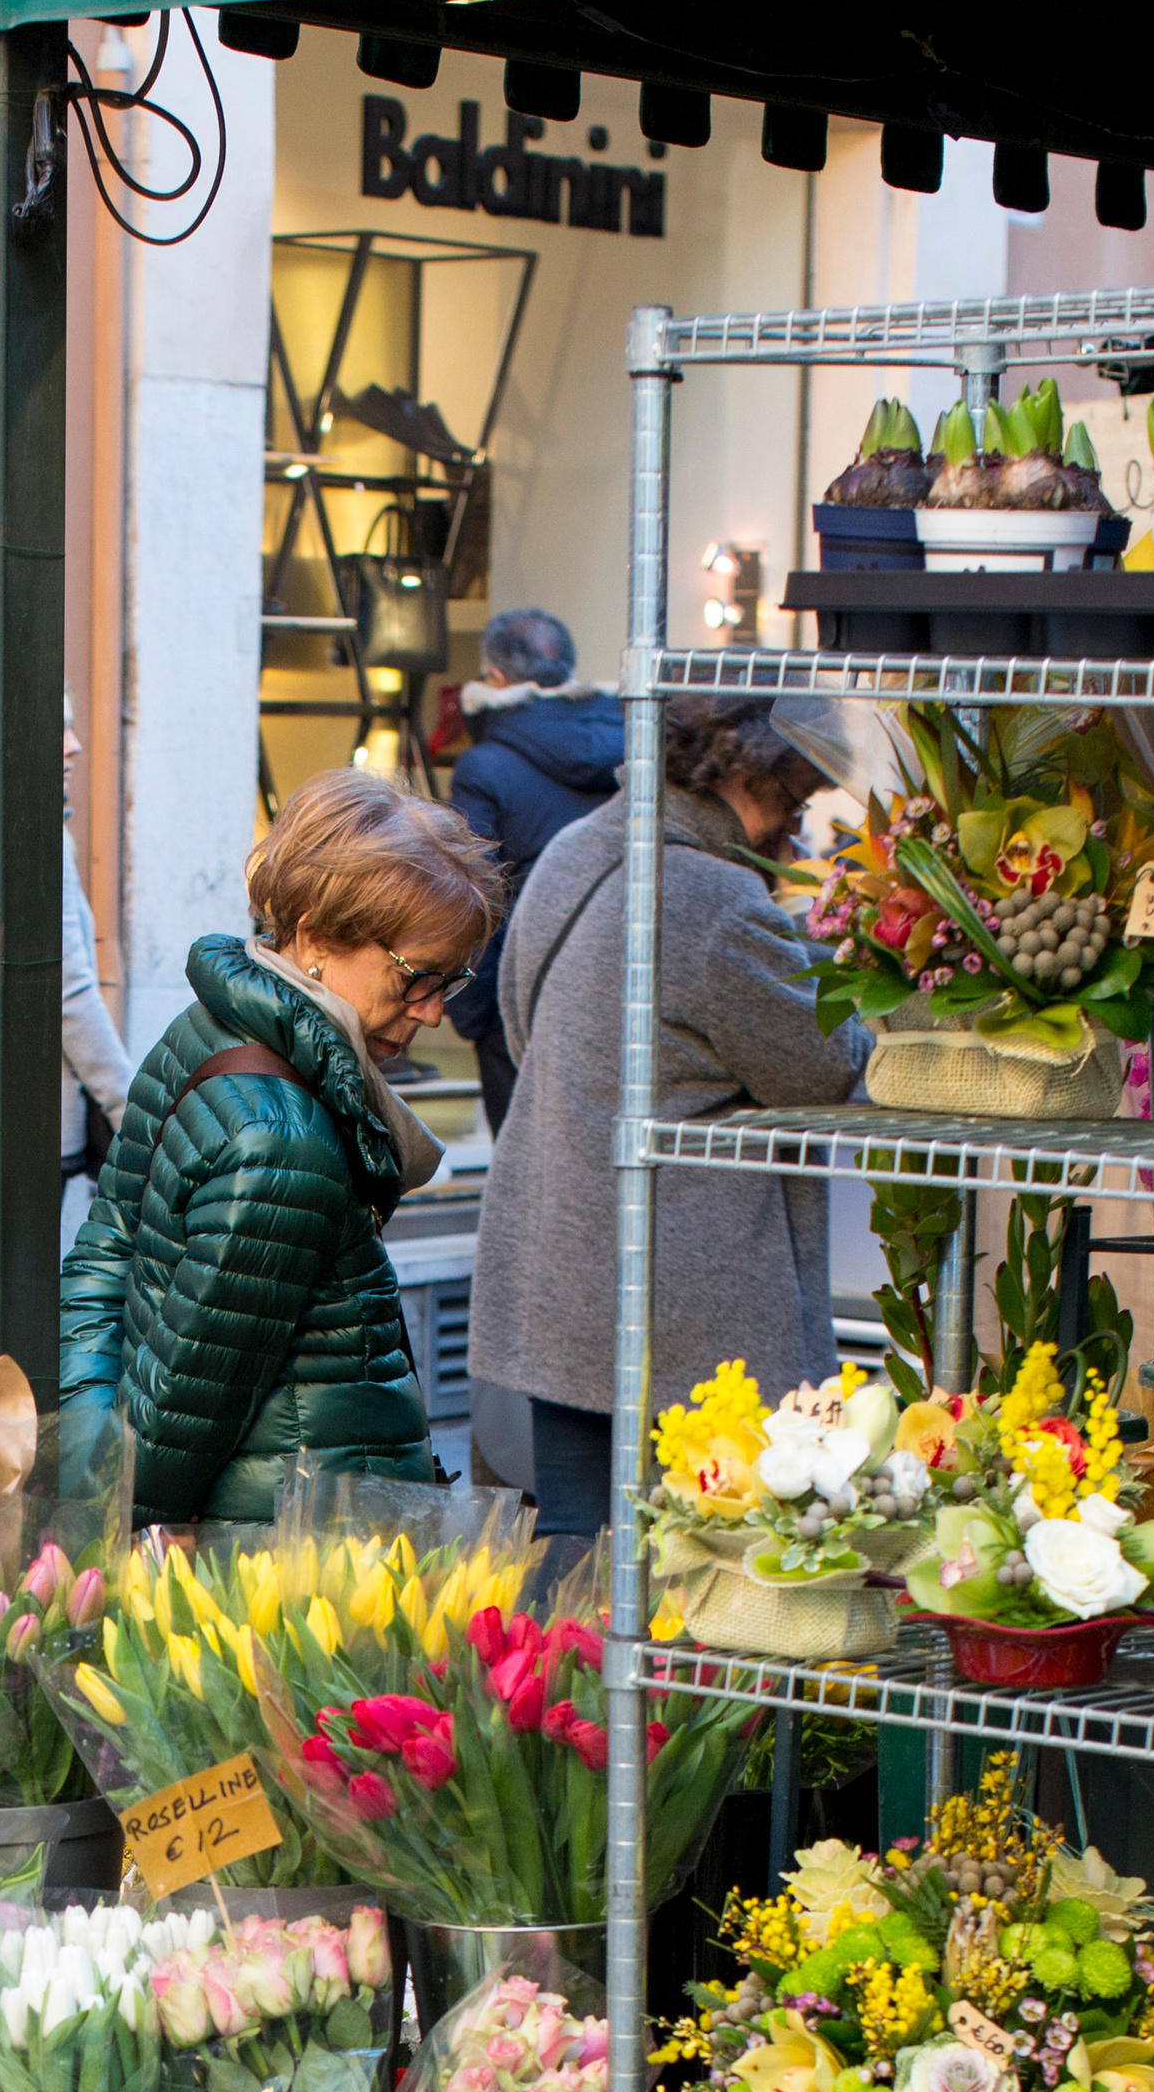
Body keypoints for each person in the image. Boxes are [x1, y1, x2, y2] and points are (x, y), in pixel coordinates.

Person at [61, 768, 506, 1526]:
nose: (432, 1012)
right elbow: (173, 1429)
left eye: (453, 982)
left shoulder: (211, 1025)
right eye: (418, 977)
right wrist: (99, 1523)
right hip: (283, 1559)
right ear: (314, 939)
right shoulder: (283, 1141)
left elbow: (104, 1255)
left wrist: (84, 1448)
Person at [468, 697, 866, 1544]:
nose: (792, 831)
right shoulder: (714, 896)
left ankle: (568, 1681)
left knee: (575, 1537)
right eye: (789, 801)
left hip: (562, 1268)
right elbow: (826, 1069)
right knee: (706, 1552)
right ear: (740, 770)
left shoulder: (572, 852)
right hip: (686, 1300)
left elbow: (516, 1022)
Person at [442, 606, 623, 1137]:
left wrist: (472, 1011)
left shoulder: (485, 765)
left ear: (495, 678)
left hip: (519, 995)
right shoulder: (633, 743)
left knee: (528, 1175)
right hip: (622, 987)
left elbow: (473, 890)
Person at [60, 699, 132, 1252]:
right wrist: (127, 1105)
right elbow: (71, 992)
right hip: (45, 1128)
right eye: (57, 727)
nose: (74, 745)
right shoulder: (37, 838)